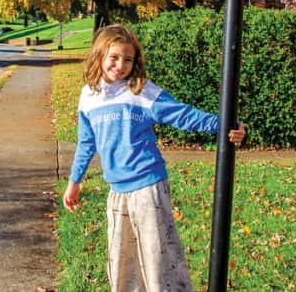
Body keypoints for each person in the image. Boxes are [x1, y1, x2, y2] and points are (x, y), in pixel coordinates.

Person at [62, 24, 245, 292]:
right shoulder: (88, 97)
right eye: (114, 57)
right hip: (117, 191)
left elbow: (183, 115)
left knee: (158, 260)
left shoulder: (142, 92)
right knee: (122, 264)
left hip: (148, 189)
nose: (120, 65)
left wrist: (225, 124)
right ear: (99, 56)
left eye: (128, 59)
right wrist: (74, 182)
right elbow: (86, 143)